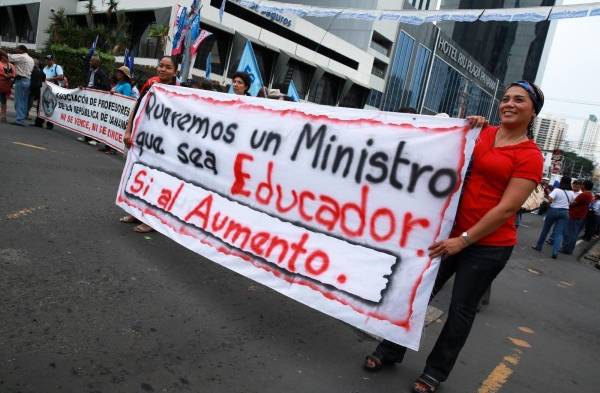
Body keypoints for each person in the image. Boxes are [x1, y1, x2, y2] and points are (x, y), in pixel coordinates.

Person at [363, 81, 543, 393]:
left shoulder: (530, 156)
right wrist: (465, 126)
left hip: (487, 247)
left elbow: (507, 209)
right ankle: (390, 350)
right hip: (448, 236)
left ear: (533, 111)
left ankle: (435, 372)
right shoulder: (481, 133)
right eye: (506, 98)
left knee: (461, 310)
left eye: (519, 100)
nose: (509, 104)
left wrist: (464, 240)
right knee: (417, 295)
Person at [120, 56, 178, 233]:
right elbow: (137, 107)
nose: (163, 69)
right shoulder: (151, 83)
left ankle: (150, 219)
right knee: (137, 175)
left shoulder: (179, 92)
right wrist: (129, 131)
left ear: (175, 71)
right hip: (141, 139)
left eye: (168, 67)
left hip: (162, 146)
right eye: (161, 66)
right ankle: (134, 212)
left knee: (156, 181)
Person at [532, 176, 573, 259]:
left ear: (562, 182)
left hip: (553, 210)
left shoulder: (557, 190)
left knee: (546, 229)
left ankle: (539, 246)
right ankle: (555, 252)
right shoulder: (571, 193)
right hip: (565, 212)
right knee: (559, 233)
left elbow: (550, 200)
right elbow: (571, 202)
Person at [78, 55, 110, 145]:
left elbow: (106, 87)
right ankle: (86, 137)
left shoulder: (102, 73)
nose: (90, 62)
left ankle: (95, 138)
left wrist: (94, 88)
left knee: (95, 119)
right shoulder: (90, 71)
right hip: (89, 97)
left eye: (92, 61)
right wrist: (83, 87)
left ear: (97, 63)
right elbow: (88, 83)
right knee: (88, 117)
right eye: (90, 61)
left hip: (97, 100)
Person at [560, 179, 594, 254]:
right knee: (573, 233)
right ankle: (569, 249)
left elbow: (573, 203)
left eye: (582, 184)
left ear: (584, 186)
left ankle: (566, 248)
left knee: (570, 233)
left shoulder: (584, 194)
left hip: (575, 215)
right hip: (580, 216)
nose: (581, 186)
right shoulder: (589, 194)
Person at [7, 45, 34, 127]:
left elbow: (9, 57)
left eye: (17, 49)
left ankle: (19, 120)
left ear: (22, 50)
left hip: (21, 80)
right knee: (24, 101)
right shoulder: (31, 59)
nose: (16, 50)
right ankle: (22, 117)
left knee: (19, 101)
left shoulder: (22, 56)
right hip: (27, 80)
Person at [0, 50, 16, 123]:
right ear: (2, 57)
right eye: (6, 57)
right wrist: (4, 75)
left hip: (5, 85)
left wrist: (10, 75)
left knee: (4, 101)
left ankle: (3, 115)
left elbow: (14, 74)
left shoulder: (11, 65)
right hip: (2, 82)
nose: (7, 58)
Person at [29, 59, 46, 128]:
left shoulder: (39, 72)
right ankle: (38, 121)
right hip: (38, 89)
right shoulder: (43, 71)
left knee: (39, 105)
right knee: (38, 106)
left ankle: (40, 122)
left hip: (39, 89)